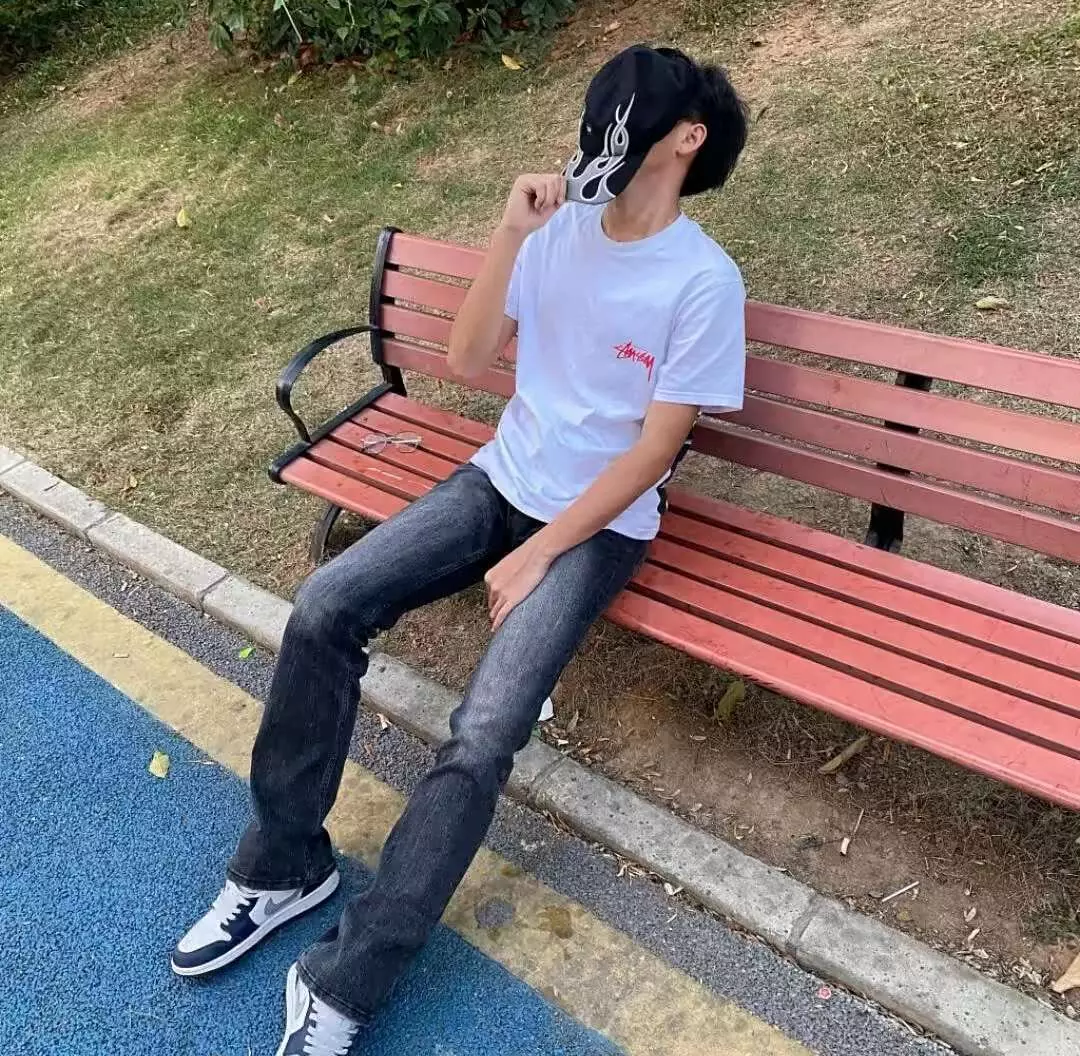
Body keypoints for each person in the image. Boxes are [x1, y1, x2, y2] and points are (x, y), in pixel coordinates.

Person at [172, 43, 749, 1056]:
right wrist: (511, 231)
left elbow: (655, 453)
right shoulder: (560, 226)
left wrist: (541, 553)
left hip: (597, 528)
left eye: (626, 142)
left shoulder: (704, 282)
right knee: (325, 608)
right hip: (499, 479)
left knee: (482, 734)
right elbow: (469, 356)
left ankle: (351, 979)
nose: (596, 167)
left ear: (686, 140)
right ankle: (283, 866)